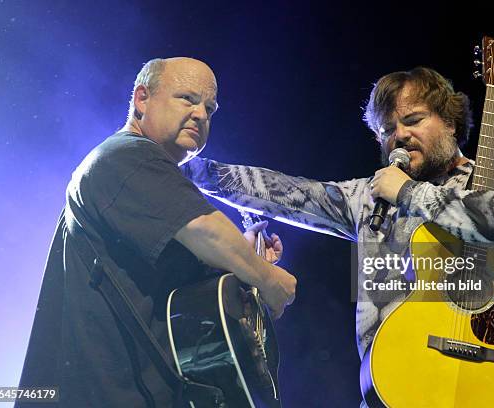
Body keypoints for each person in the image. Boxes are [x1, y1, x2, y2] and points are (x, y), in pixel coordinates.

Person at [187, 67, 494, 406]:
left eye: (413, 120)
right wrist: (187, 169)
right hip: (395, 389)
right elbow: (287, 193)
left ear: (450, 123)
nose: (400, 136)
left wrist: (409, 193)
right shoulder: (373, 198)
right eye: (387, 129)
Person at [17, 57, 296, 407]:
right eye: (187, 99)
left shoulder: (145, 176)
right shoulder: (127, 157)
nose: (201, 114)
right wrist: (269, 279)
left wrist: (239, 260)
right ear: (142, 98)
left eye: (210, 108)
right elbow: (207, 231)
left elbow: (183, 293)